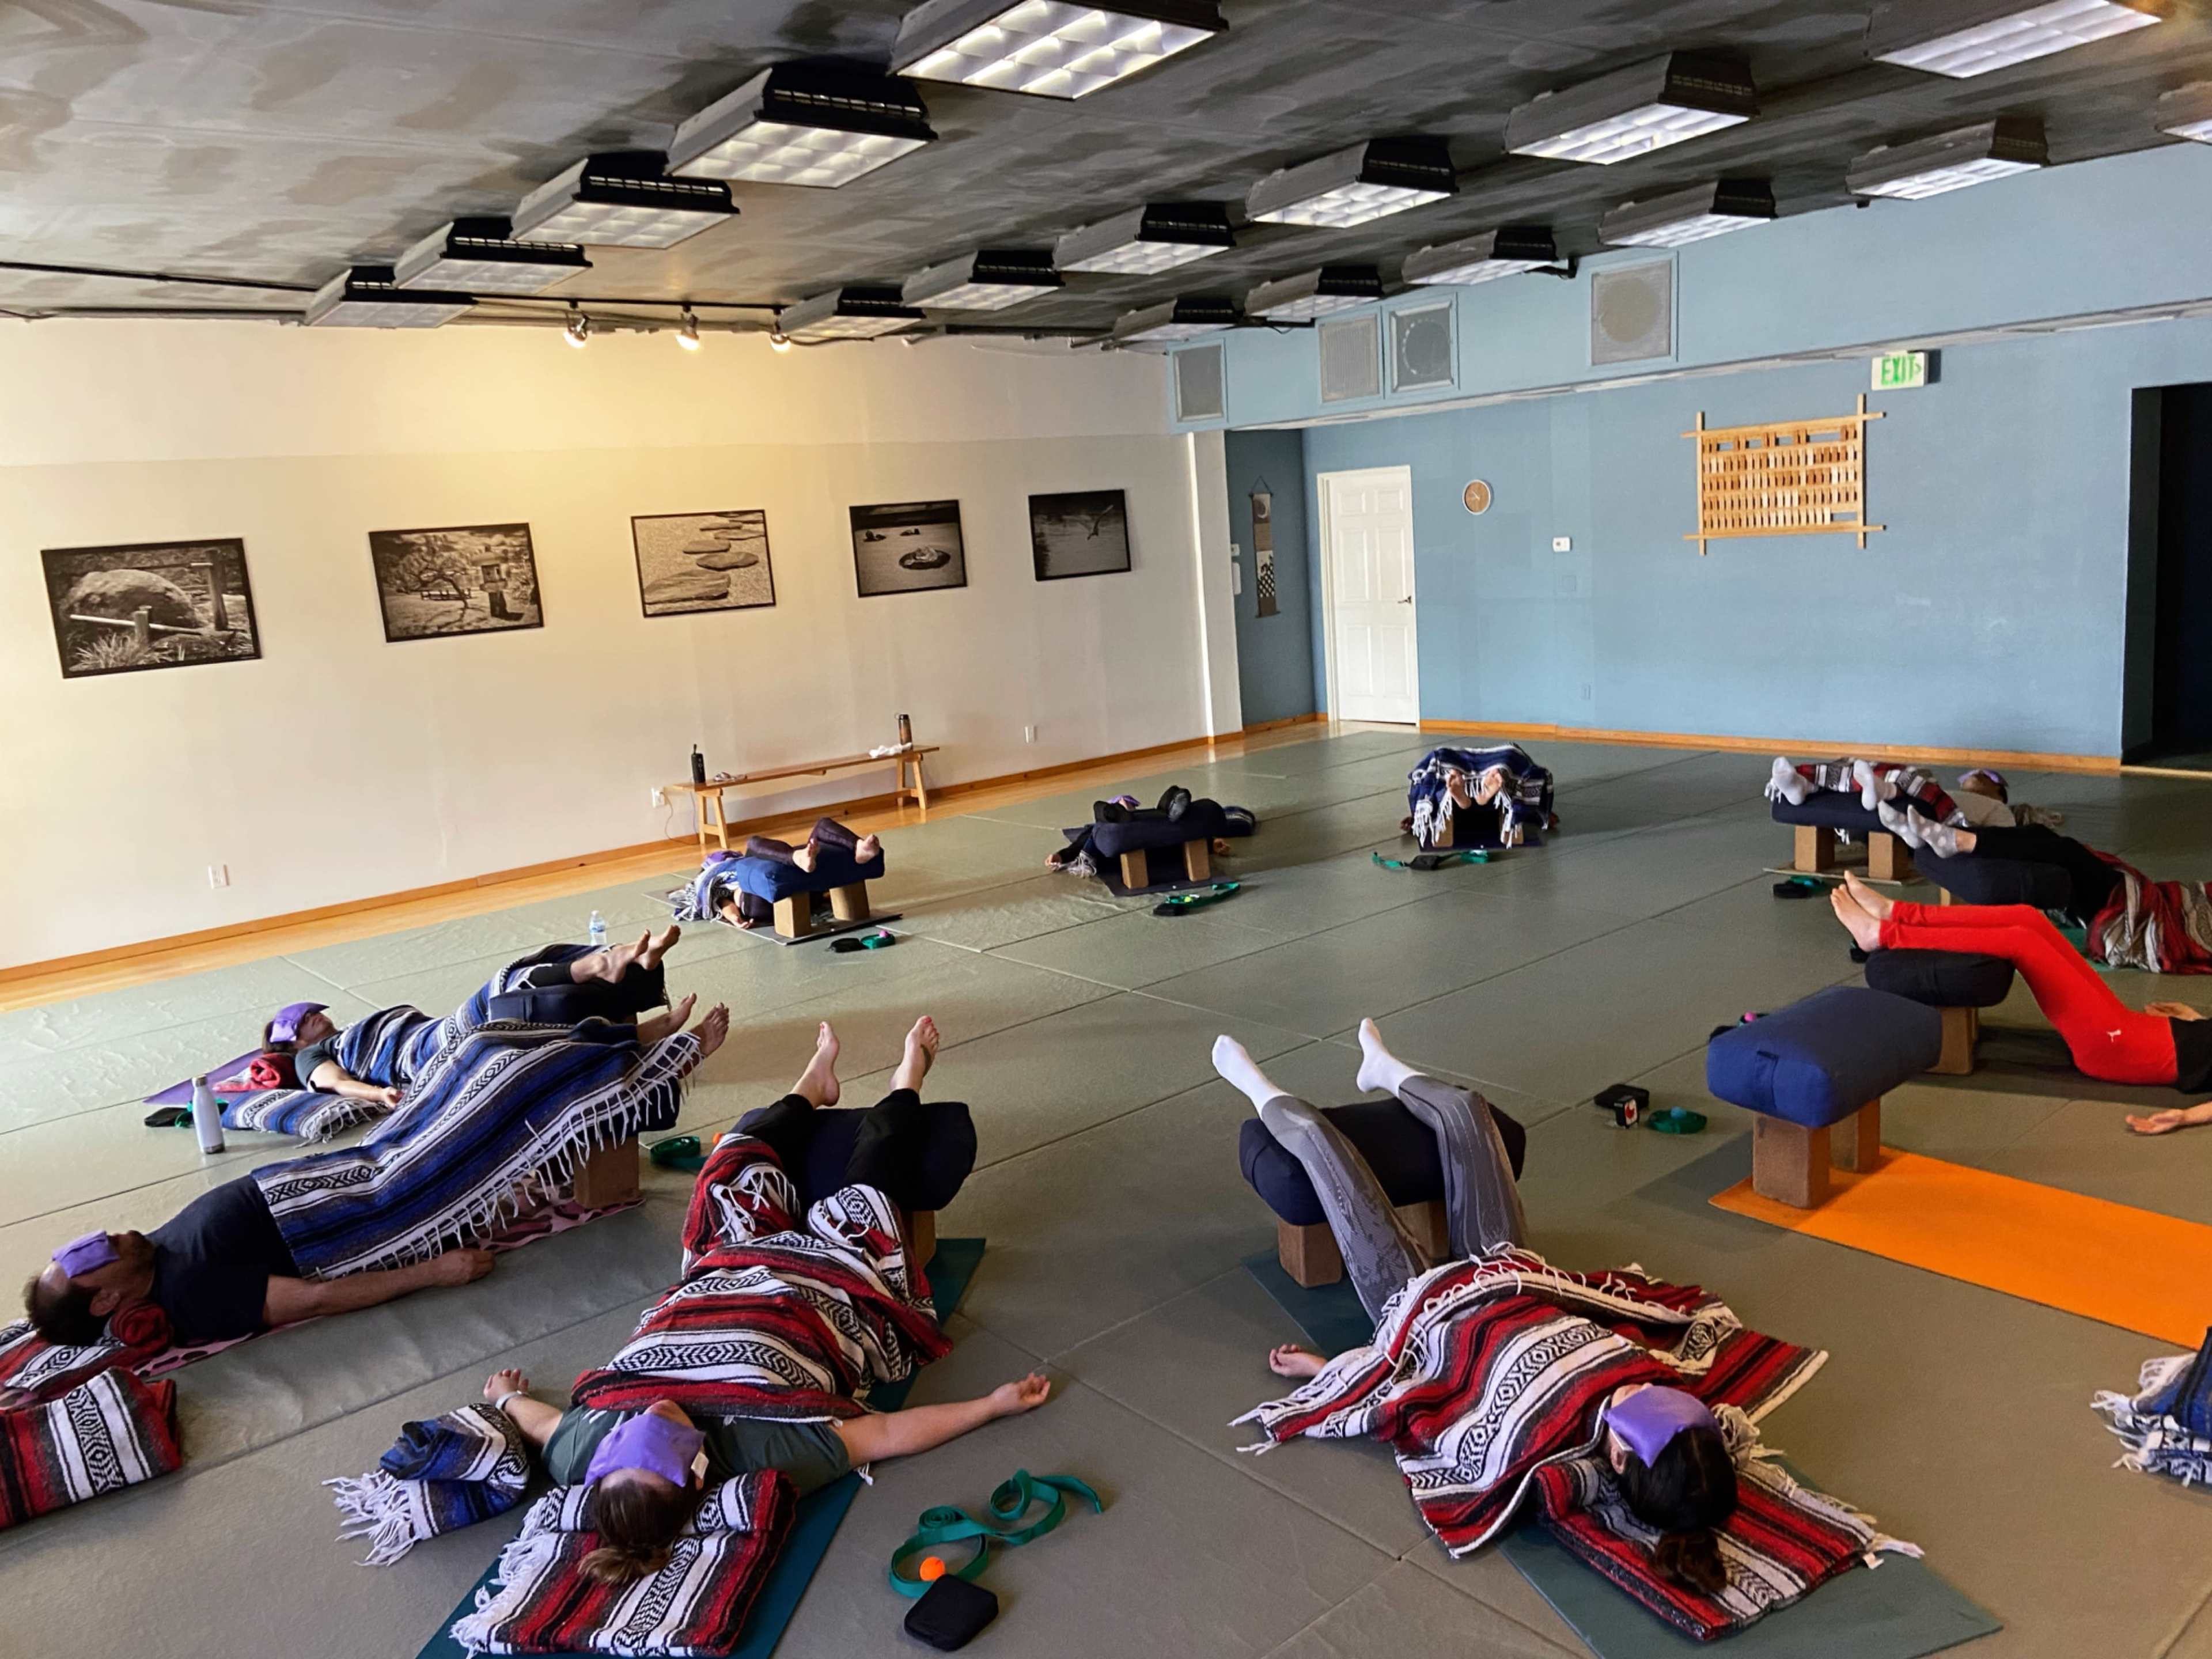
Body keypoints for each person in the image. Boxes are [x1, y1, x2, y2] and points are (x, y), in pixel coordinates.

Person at [484, 1016, 1050, 1583]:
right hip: (823, 1281)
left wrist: (508, 1401)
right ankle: (907, 1079)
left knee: (728, 1168)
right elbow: (884, 1435)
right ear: (697, 1472)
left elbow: (546, 1428)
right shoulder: (769, 1452)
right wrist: (993, 1406)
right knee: (869, 1193)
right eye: (668, 1434)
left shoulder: (586, 1450)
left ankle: (814, 1081)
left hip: (727, 1268)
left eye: (634, 1430)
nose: (654, 1410)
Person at [1211, 1020, 1737, 1593]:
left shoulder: (1536, 1442)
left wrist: (1332, 1372)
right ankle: (1383, 1071)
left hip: (1418, 1303)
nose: (1642, 1390)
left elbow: (1432, 1414)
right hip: (1508, 1271)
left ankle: (1252, 1085)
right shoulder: (1644, 1388)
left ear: (1616, 1457)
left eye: (1641, 1407)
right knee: (1468, 1114)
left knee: (1323, 1148)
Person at [22, 933, 721, 1350]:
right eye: (96, 1258)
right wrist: (434, 1272)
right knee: (498, 1082)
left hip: (348, 1170)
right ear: (108, 1302)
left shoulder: (157, 1257)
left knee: (478, 1041)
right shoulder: (188, 1298)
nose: (111, 1236)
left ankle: (624, 1024)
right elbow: (309, 1300)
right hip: (383, 1198)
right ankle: (654, 1057)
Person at [1827, 872, 2212, 1134]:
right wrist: (2197, 1021)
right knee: (2030, 921)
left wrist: (2184, 1117)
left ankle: (1884, 935)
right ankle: (1897, 913)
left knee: (2021, 943)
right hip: (2132, 1029)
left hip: (2114, 1045)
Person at [690, 818, 882, 928]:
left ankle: (858, 848)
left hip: (810, 893)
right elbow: (724, 902)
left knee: (822, 825)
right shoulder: (712, 878)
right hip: (757, 904)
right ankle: (796, 856)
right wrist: (735, 919)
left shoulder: (751, 864)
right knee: (753, 842)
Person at [1402, 745, 1554, 850]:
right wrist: (1542, 813)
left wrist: (1416, 817)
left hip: (1461, 811)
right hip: (1491, 806)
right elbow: (1537, 784)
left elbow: (1419, 783)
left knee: (1437, 765)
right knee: (1512, 757)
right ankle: (1479, 796)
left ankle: (1466, 799)